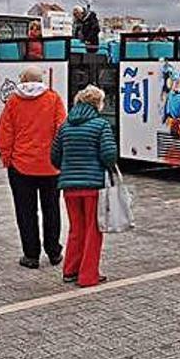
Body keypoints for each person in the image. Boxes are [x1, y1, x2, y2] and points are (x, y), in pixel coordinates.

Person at [0, 66, 68, 269]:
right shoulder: (53, 99)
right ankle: (54, 252)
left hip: (21, 166)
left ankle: (31, 255)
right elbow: (61, 129)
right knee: (52, 210)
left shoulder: (13, 101)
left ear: (24, 79)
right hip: (50, 167)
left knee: (25, 212)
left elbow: (5, 131)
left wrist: (7, 157)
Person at [51, 85, 117, 287]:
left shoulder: (65, 126)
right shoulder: (101, 125)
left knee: (76, 229)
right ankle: (88, 276)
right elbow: (109, 155)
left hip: (69, 187)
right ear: (97, 103)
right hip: (92, 186)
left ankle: (70, 270)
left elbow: (54, 157)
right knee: (93, 230)